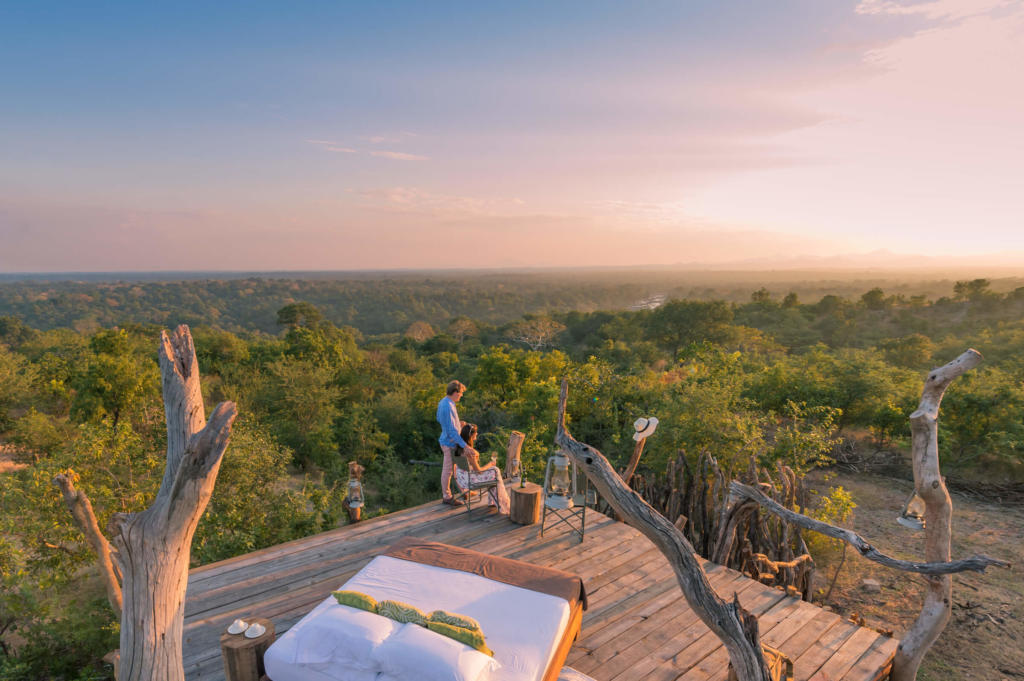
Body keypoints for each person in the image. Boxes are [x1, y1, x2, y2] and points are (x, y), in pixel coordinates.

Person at [454, 423, 510, 515]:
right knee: (495, 470)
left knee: (493, 473)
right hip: (471, 481)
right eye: (475, 432)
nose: (477, 433)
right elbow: (479, 471)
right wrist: (490, 464)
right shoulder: (470, 452)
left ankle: (493, 501)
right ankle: (504, 504)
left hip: (462, 479)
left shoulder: (457, 448)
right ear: (471, 435)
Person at [437, 380, 468, 506]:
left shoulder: (444, 402)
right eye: (461, 393)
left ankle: (464, 491)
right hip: (449, 443)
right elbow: (451, 431)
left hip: (448, 440)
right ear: (455, 392)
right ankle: (447, 497)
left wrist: (458, 424)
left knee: (455, 469)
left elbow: (440, 419)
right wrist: (465, 446)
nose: (461, 395)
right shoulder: (447, 406)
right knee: (448, 471)